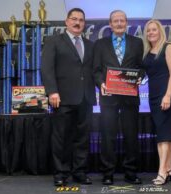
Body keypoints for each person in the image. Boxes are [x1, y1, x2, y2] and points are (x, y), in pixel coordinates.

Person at [41, 8, 96, 186]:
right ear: (66, 21)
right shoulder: (54, 41)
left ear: (84, 24)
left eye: (80, 20)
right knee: (61, 138)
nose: (77, 22)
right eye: (73, 19)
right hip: (62, 98)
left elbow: (93, 71)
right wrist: (52, 91)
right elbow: (46, 68)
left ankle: (79, 172)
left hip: (86, 98)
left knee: (82, 138)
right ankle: (61, 173)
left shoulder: (90, 44)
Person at [93, 10, 143, 185]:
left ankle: (131, 172)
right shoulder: (100, 44)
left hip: (130, 97)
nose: (119, 23)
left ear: (126, 22)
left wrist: (139, 77)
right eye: (116, 21)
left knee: (131, 136)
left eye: (122, 20)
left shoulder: (137, 43)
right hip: (109, 97)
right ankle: (108, 173)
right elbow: (96, 70)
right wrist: (101, 84)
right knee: (108, 136)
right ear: (110, 24)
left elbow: (141, 67)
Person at [142, 19, 171, 185]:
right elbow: (145, 75)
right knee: (164, 133)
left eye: (154, 30)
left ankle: (162, 172)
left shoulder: (167, 46)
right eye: (148, 30)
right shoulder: (148, 51)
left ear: (160, 31)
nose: (151, 32)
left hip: (166, 95)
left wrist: (168, 95)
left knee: (163, 136)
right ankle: (169, 169)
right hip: (153, 96)